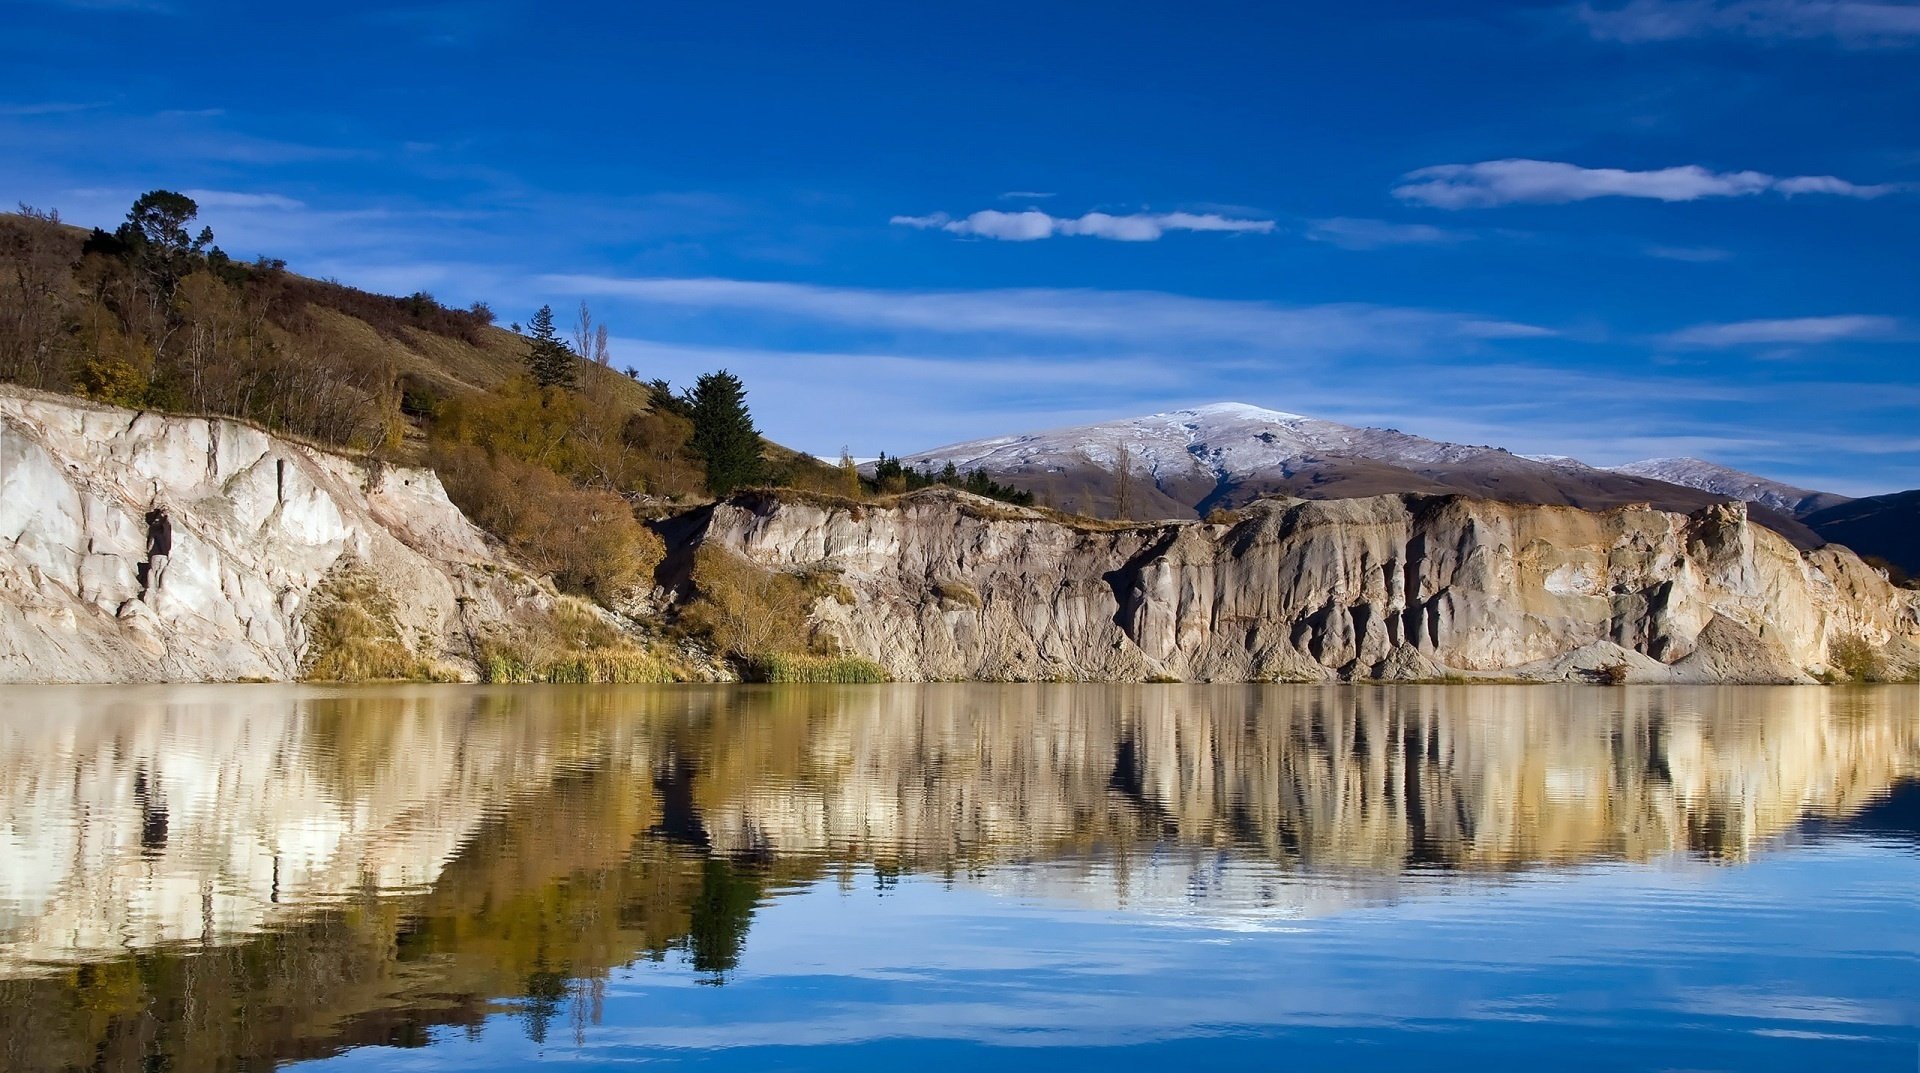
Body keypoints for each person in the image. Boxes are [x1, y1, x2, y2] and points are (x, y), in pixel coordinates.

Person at [143, 504, 173, 602]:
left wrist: (148, 550)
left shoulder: (154, 528)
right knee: (159, 578)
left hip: (156, 555)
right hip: (162, 556)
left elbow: (150, 542)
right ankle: (154, 597)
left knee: (153, 575)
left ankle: (151, 595)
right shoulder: (164, 527)